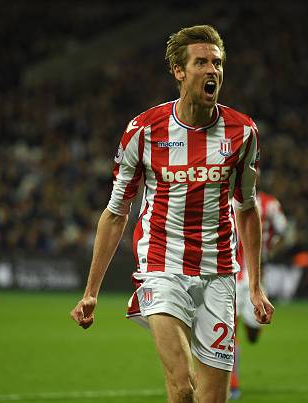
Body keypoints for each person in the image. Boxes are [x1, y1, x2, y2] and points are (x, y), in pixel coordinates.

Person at [70, 25, 274, 403]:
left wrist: (256, 286)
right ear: (179, 72)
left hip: (218, 274)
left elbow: (247, 209)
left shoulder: (243, 133)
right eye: (201, 62)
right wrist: (91, 292)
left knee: (212, 399)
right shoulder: (144, 130)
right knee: (182, 387)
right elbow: (116, 212)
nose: (212, 70)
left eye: (217, 63)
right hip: (162, 268)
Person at [229, 190, 288, 399]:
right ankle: (233, 384)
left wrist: (269, 247)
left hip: (254, 277)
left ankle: (250, 330)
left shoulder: (269, 203)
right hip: (229, 275)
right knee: (229, 332)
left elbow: (284, 229)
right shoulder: (219, 196)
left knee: (253, 333)